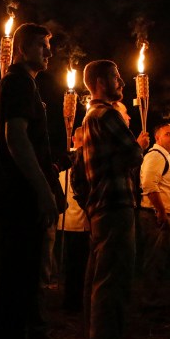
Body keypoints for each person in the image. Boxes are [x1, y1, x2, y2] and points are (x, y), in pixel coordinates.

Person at [0, 23, 62, 339]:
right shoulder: (18, 84)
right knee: (19, 284)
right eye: (44, 46)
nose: (49, 53)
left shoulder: (16, 85)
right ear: (24, 47)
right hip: (20, 199)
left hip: (13, 198)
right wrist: (43, 190)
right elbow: (17, 140)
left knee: (12, 283)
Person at [80, 59, 148, 339]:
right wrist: (141, 143)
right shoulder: (108, 114)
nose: (122, 82)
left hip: (100, 205)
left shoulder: (89, 117)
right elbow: (132, 155)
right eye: (116, 77)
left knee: (100, 278)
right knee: (113, 280)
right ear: (101, 80)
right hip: (116, 203)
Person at [136, 121, 170, 310]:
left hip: (161, 214)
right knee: (154, 259)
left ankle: (153, 298)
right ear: (158, 138)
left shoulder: (165, 157)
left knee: (159, 259)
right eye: (168, 134)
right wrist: (161, 211)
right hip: (155, 215)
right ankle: (149, 301)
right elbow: (148, 184)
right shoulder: (155, 156)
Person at [59, 126, 90, 314]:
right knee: (76, 264)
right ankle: (73, 301)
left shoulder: (70, 159)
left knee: (77, 263)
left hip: (74, 220)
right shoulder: (74, 160)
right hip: (75, 219)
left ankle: (74, 299)